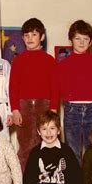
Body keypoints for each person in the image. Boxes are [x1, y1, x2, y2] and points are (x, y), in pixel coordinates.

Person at [9, 18, 59, 170]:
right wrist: (15, 109)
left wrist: (54, 110)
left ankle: (47, 179)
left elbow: (55, 87)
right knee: (24, 146)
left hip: (44, 105)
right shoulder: (18, 61)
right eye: (27, 35)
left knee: (45, 144)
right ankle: (23, 183)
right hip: (23, 106)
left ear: (42, 37)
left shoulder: (50, 60)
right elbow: (13, 87)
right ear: (23, 38)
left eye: (34, 34)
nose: (30, 38)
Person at [58, 20, 92, 163]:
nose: (82, 42)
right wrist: (68, 97)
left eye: (85, 39)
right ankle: (76, 183)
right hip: (72, 109)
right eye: (78, 38)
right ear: (71, 40)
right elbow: (60, 86)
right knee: (72, 150)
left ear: (90, 42)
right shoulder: (64, 64)